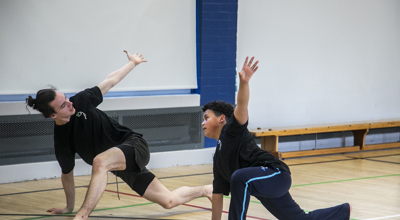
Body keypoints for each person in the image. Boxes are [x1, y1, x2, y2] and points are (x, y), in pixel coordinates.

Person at [26, 50, 212, 220]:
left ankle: (82, 216)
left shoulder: (81, 101)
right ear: (53, 115)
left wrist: (132, 63)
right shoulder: (61, 140)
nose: (69, 103)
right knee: (168, 201)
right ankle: (206, 190)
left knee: (100, 162)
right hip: (120, 165)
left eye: (66, 98)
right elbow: (67, 174)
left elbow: (110, 81)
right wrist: (68, 206)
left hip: (133, 145)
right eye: (63, 105)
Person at [201, 56, 351, 220]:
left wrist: (244, 83)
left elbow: (242, 106)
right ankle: (342, 212)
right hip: (264, 187)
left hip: (276, 174)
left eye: (206, 117)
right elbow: (217, 196)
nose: (203, 123)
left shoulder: (231, 130)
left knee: (239, 177)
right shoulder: (218, 159)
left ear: (222, 119)